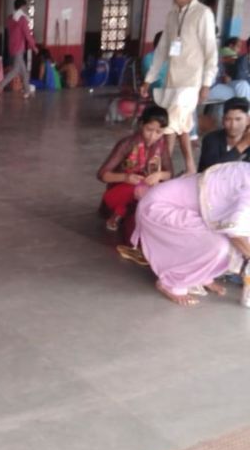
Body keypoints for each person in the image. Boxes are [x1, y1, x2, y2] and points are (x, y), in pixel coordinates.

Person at [132, 162, 250, 306]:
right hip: (157, 207)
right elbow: (235, 232)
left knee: (230, 242)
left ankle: (199, 277)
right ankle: (169, 283)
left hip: (178, 207)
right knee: (218, 245)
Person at [141, 0, 217, 175]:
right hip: (172, 80)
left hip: (191, 82)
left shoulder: (203, 14)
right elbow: (161, 50)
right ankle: (190, 167)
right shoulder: (172, 15)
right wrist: (149, 79)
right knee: (182, 125)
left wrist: (206, 83)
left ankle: (161, 166)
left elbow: (211, 51)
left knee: (170, 123)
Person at [97, 104, 173, 242]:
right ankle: (118, 214)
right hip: (121, 191)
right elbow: (102, 174)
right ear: (141, 124)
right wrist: (126, 177)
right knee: (140, 194)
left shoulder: (161, 144)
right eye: (149, 130)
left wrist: (159, 175)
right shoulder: (127, 144)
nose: (153, 136)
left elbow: (169, 173)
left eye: (159, 132)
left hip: (146, 189)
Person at [0, 0, 39, 100]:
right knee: (15, 70)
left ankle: (27, 92)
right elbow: (27, 35)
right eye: (25, 7)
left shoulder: (10, 18)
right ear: (22, 6)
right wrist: (34, 46)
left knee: (24, 72)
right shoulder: (22, 19)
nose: (25, 9)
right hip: (19, 48)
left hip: (12, 47)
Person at [199, 97, 250, 172]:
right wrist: (243, 145)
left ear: (248, 120)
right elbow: (211, 170)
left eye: (238, 119)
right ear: (222, 120)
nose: (233, 125)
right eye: (228, 119)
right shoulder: (211, 139)